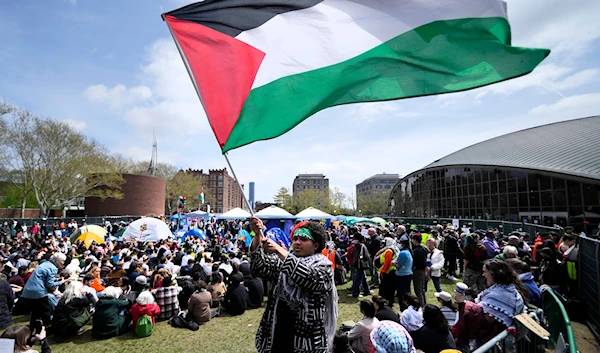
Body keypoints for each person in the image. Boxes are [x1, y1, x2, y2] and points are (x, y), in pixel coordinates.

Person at [249, 218, 338, 353]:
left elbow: (308, 277)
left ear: (316, 245)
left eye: (303, 239)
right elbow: (260, 266)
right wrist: (257, 235)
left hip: (307, 338)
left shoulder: (323, 267)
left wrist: (279, 249)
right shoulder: (284, 261)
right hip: (278, 331)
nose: (297, 242)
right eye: (295, 238)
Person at [20, 252, 67, 329]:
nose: (63, 263)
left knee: (35, 310)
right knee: (46, 310)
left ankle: (33, 326)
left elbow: (44, 278)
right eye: (62, 261)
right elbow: (50, 284)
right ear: (57, 260)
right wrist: (61, 282)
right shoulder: (53, 268)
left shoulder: (45, 264)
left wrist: (56, 279)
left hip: (29, 290)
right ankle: (46, 328)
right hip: (39, 291)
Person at [374, 237, 398, 306]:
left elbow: (387, 263)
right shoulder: (389, 250)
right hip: (389, 272)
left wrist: (382, 271)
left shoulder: (389, 251)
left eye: (384, 243)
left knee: (387, 288)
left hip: (388, 272)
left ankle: (387, 301)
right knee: (388, 288)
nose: (382, 244)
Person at [393, 235, 413, 311]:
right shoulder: (407, 252)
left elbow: (398, 265)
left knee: (402, 294)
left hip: (402, 275)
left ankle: (403, 310)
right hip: (407, 274)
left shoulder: (403, 253)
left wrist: (392, 263)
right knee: (407, 293)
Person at [351, 233, 372, 298]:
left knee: (363, 278)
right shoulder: (361, 246)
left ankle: (367, 290)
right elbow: (366, 256)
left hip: (357, 264)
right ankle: (355, 293)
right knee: (358, 279)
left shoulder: (355, 246)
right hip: (360, 265)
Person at [411, 233, 429, 306]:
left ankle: (421, 306)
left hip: (418, 270)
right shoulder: (424, 248)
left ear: (415, 240)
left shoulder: (416, 251)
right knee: (421, 289)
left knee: (418, 290)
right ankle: (424, 303)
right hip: (423, 270)